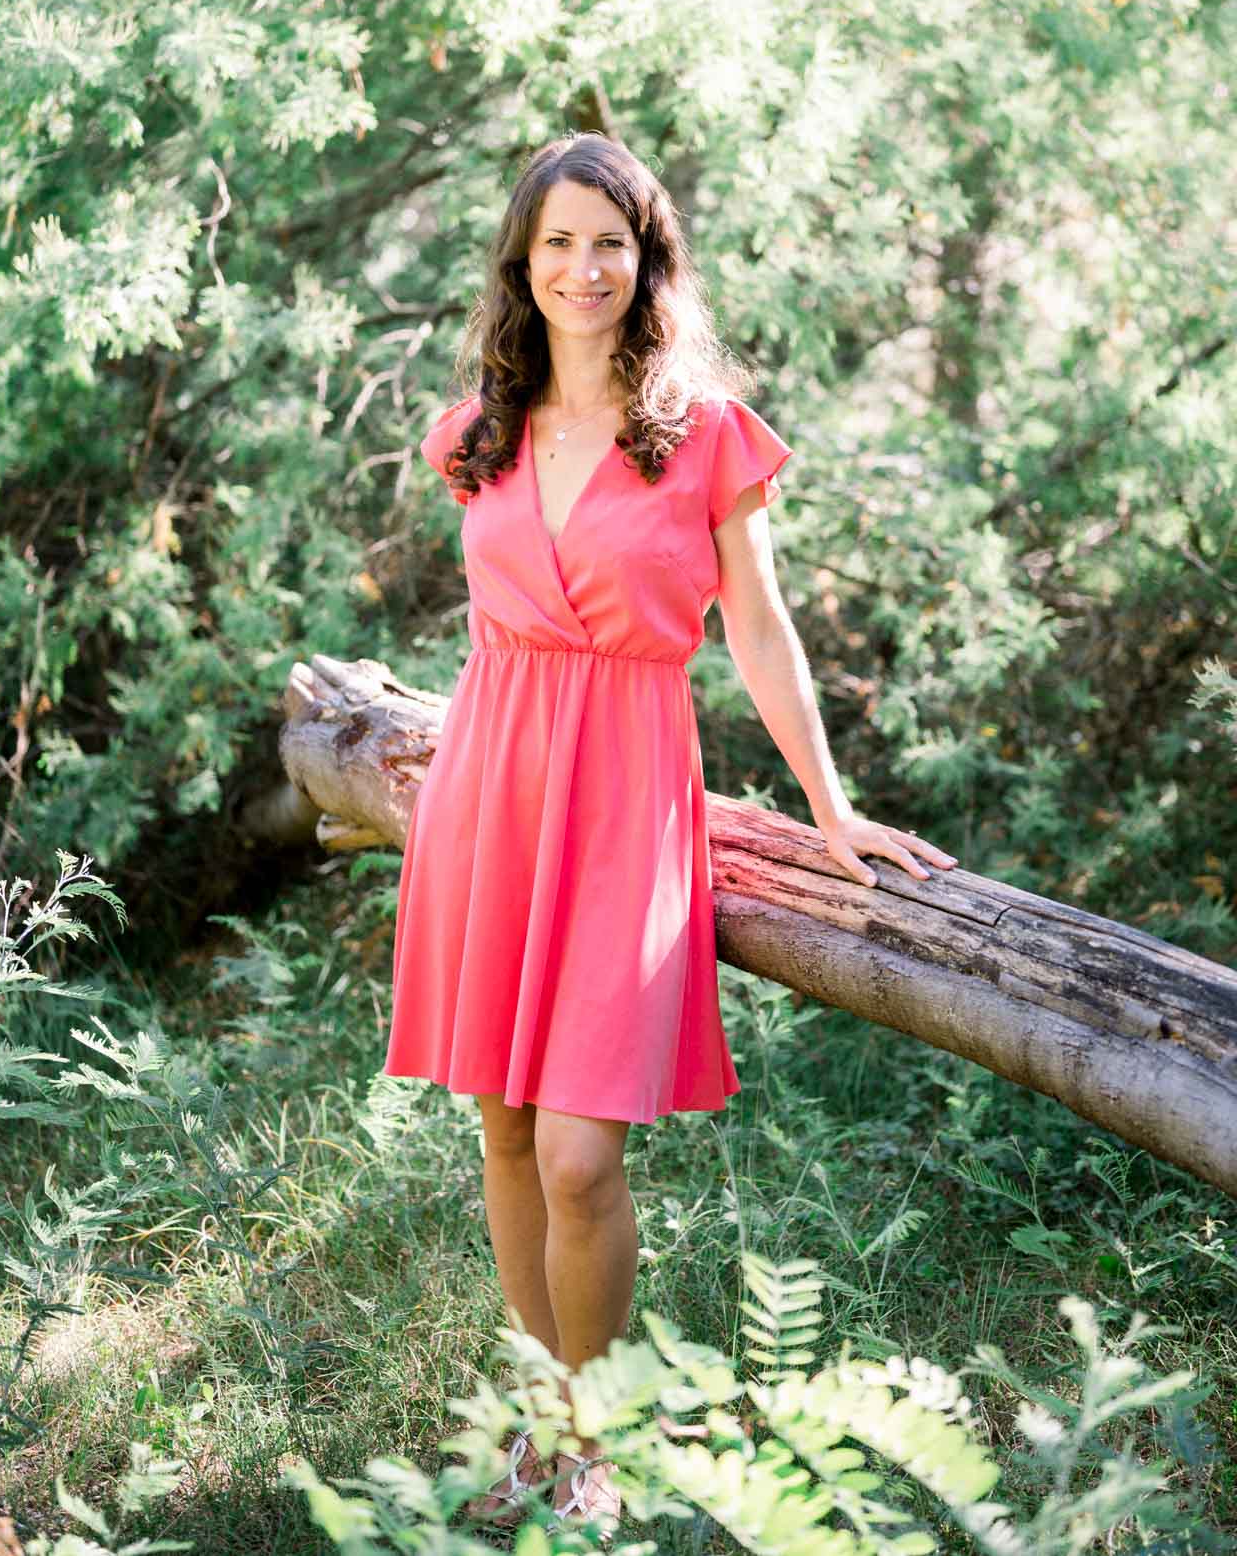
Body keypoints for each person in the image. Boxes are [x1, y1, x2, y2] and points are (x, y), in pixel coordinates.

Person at [383, 132, 956, 1538]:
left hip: (629, 796)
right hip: (490, 791)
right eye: (559, 242)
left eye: (612, 243)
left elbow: (759, 629)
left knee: (583, 1156)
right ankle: (546, 1415)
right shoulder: (477, 431)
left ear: (649, 263)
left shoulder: (704, 432)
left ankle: (602, 1431)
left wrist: (831, 808)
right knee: (505, 1133)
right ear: (524, 260)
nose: (584, 269)